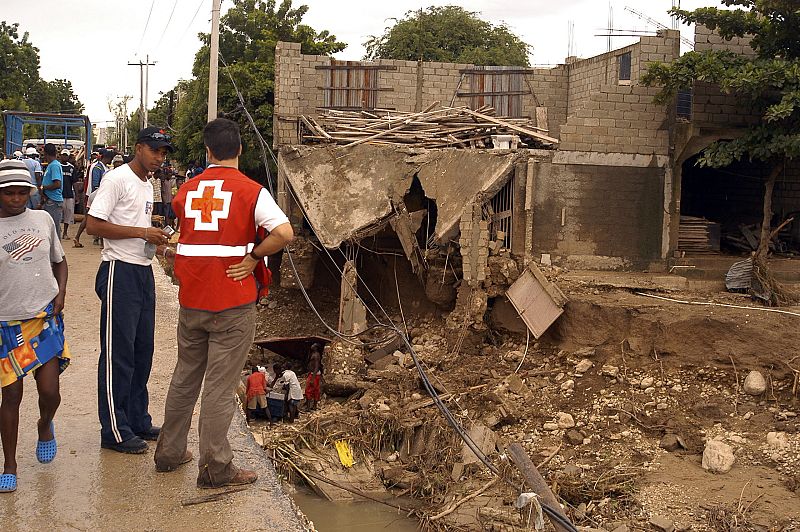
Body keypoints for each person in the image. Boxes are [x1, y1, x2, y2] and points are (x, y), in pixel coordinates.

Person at [154, 118, 293, 488]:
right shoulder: (252, 192)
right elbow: (284, 233)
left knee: (185, 377)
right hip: (233, 303)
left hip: (193, 301)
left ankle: (168, 453)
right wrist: (252, 258)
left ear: (208, 151)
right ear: (240, 150)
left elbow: (187, 236)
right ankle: (216, 468)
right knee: (218, 387)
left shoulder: (186, 191)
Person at [86, 128, 171, 454]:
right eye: (154, 150)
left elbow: (139, 233)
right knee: (117, 355)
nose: (159, 157)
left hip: (142, 272)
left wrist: (158, 245)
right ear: (138, 148)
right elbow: (94, 224)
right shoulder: (116, 179)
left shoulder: (146, 184)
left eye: (163, 153)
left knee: (141, 352)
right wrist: (141, 232)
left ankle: (137, 418)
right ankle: (114, 430)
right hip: (118, 272)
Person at [0, 159, 70, 493]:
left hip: (44, 318)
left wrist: (61, 294)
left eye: (21, 192)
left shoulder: (43, 220)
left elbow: (60, 261)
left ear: (30, 191)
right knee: (11, 395)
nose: (15, 198)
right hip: (5, 324)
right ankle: (10, 464)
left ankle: (45, 425)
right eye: (9, 193)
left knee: (50, 392)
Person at [40, 144, 64, 229]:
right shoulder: (52, 165)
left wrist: (43, 188)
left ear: (45, 153)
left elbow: (57, 184)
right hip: (50, 200)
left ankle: (56, 243)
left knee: (53, 228)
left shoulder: (54, 165)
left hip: (53, 201)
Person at [59, 150, 76, 240]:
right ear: (60, 156)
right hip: (59, 195)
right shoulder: (57, 166)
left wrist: (76, 195)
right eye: (63, 155)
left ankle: (65, 232)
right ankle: (58, 231)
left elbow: (74, 182)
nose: (64, 157)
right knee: (58, 214)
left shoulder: (71, 168)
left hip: (69, 194)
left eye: (66, 156)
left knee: (68, 214)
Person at [304, 344, 323, 411]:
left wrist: (312, 378)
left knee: (309, 390)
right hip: (314, 374)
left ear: (316, 348)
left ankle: (308, 407)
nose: (311, 346)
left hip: (314, 375)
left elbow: (316, 366)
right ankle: (313, 406)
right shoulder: (314, 354)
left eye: (313, 345)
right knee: (315, 390)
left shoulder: (316, 355)